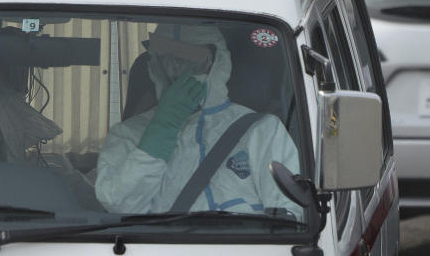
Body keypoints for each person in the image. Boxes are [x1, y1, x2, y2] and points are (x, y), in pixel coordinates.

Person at [95, 25, 301, 215]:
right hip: (158, 253)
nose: (176, 70)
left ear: (216, 62)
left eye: (189, 58)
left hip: (243, 252)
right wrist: (161, 131)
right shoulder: (128, 134)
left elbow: (287, 213)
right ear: (155, 62)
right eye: (166, 58)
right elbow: (118, 205)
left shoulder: (261, 129)